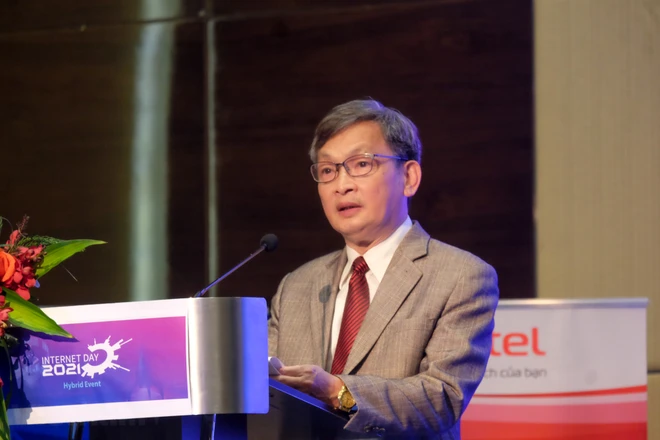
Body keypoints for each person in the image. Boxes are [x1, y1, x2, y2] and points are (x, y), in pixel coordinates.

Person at [268, 99, 498, 439]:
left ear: (409, 177)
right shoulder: (297, 285)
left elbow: (442, 397)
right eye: (328, 170)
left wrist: (337, 391)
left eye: (361, 164)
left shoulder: (460, 276)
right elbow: (264, 391)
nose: (341, 185)